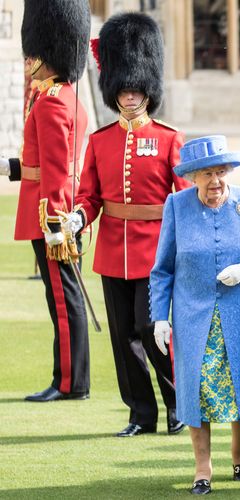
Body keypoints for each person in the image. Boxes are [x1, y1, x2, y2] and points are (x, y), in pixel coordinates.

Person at [61, 12, 191, 437]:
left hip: (156, 252)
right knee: (123, 339)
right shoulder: (100, 141)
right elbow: (90, 196)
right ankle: (140, 413)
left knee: (152, 330)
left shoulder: (170, 138)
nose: (130, 95)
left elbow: (184, 195)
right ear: (114, 91)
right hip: (113, 251)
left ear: (147, 91)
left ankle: (178, 405)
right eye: (123, 89)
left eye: (136, 89)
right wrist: (78, 217)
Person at [149, 135, 240, 495]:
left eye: (221, 172)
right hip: (193, 318)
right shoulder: (176, 206)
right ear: (193, 177)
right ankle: (202, 465)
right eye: (207, 174)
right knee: (198, 390)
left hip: (238, 316)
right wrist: (161, 317)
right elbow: (162, 270)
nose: (216, 181)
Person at [0, 0, 91, 402]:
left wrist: (55, 223)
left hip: (50, 213)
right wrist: (11, 167)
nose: (28, 60)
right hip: (55, 207)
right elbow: (46, 161)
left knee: (61, 297)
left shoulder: (52, 100)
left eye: (33, 53)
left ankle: (70, 382)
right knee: (63, 295)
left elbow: (56, 169)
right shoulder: (66, 96)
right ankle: (70, 378)